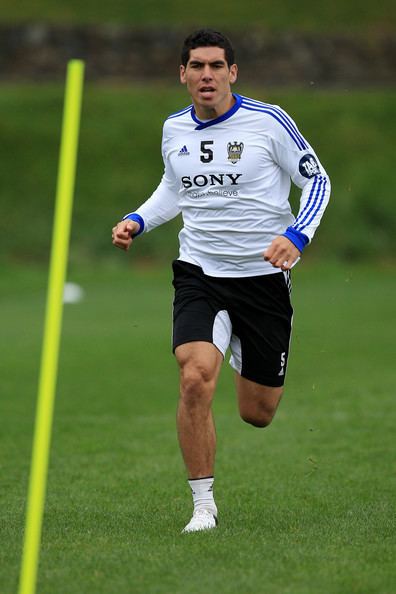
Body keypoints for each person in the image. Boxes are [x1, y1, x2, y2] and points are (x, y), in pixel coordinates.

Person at [112, 29, 330, 533]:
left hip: (261, 280)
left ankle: (240, 350)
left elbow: (317, 179)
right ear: (182, 74)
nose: (206, 75)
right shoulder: (173, 129)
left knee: (258, 412)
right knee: (193, 379)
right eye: (196, 66)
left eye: (216, 66)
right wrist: (139, 220)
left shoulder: (268, 122)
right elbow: (173, 188)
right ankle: (203, 507)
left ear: (233, 73)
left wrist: (297, 236)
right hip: (199, 274)